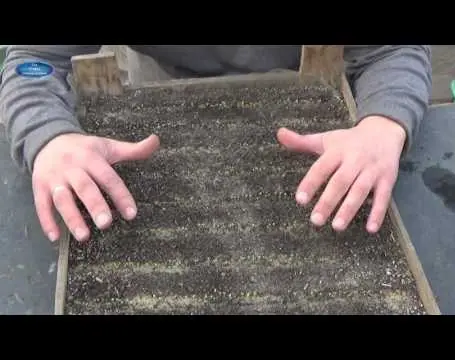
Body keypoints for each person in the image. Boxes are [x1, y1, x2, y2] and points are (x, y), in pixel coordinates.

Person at [0, 45, 432, 243]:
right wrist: (50, 138)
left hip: (301, 93)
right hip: (159, 88)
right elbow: (34, 62)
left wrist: (384, 122)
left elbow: (392, 50)